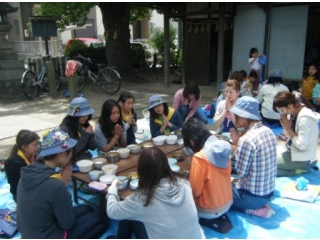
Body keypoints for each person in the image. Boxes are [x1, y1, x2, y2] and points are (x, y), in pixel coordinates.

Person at [16, 129, 109, 239]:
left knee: (87, 209)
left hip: (29, 233)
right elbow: (67, 224)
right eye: (70, 153)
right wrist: (63, 184)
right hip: (50, 235)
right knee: (101, 218)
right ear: (62, 153)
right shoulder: (56, 185)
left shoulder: (29, 171)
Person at [106, 147, 204, 239]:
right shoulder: (184, 183)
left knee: (130, 213)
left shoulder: (142, 198)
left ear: (142, 171)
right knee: (132, 211)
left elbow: (112, 211)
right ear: (166, 165)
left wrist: (112, 189)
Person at [182, 118, 233, 233]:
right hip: (228, 203)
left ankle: (208, 220)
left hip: (209, 209)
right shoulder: (222, 149)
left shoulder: (199, 158)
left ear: (191, 141)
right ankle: (220, 216)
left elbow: (195, 191)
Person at [229, 96, 277, 218]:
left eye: (237, 115)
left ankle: (252, 210)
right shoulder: (268, 131)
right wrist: (237, 145)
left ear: (245, 116)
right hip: (268, 192)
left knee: (217, 193)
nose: (235, 118)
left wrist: (237, 146)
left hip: (251, 198)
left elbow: (240, 172)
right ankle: (259, 206)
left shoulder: (246, 140)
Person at [273, 91, 319, 176]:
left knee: (267, 167)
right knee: (266, 164)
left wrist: (288, 128)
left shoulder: (305, 118)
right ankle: (297, 170)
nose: (283, 112)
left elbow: (302, 145)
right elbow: (288, 136)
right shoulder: (294, 113)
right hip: (292, 153)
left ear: (290, 105)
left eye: (282, 109)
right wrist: (286, 128)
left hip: (301, 159)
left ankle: (299, 170)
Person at [4, 130, 40, 202]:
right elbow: (20, 186)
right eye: (35, 145)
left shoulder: (32, 156)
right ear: (24, 147)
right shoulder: (14, 164)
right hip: (20, 195)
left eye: (38, 144)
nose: (38, 147)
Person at [60, 97, 97, 162]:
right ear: (73, 116)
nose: (85, 118)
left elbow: (93, 147)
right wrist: (86, 135)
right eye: (82, 115)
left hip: (87, 160)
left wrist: (90, 135)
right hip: (73, 164)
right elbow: (72, 151)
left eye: (87, 115)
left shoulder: (85, 124)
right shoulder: (64, 129)